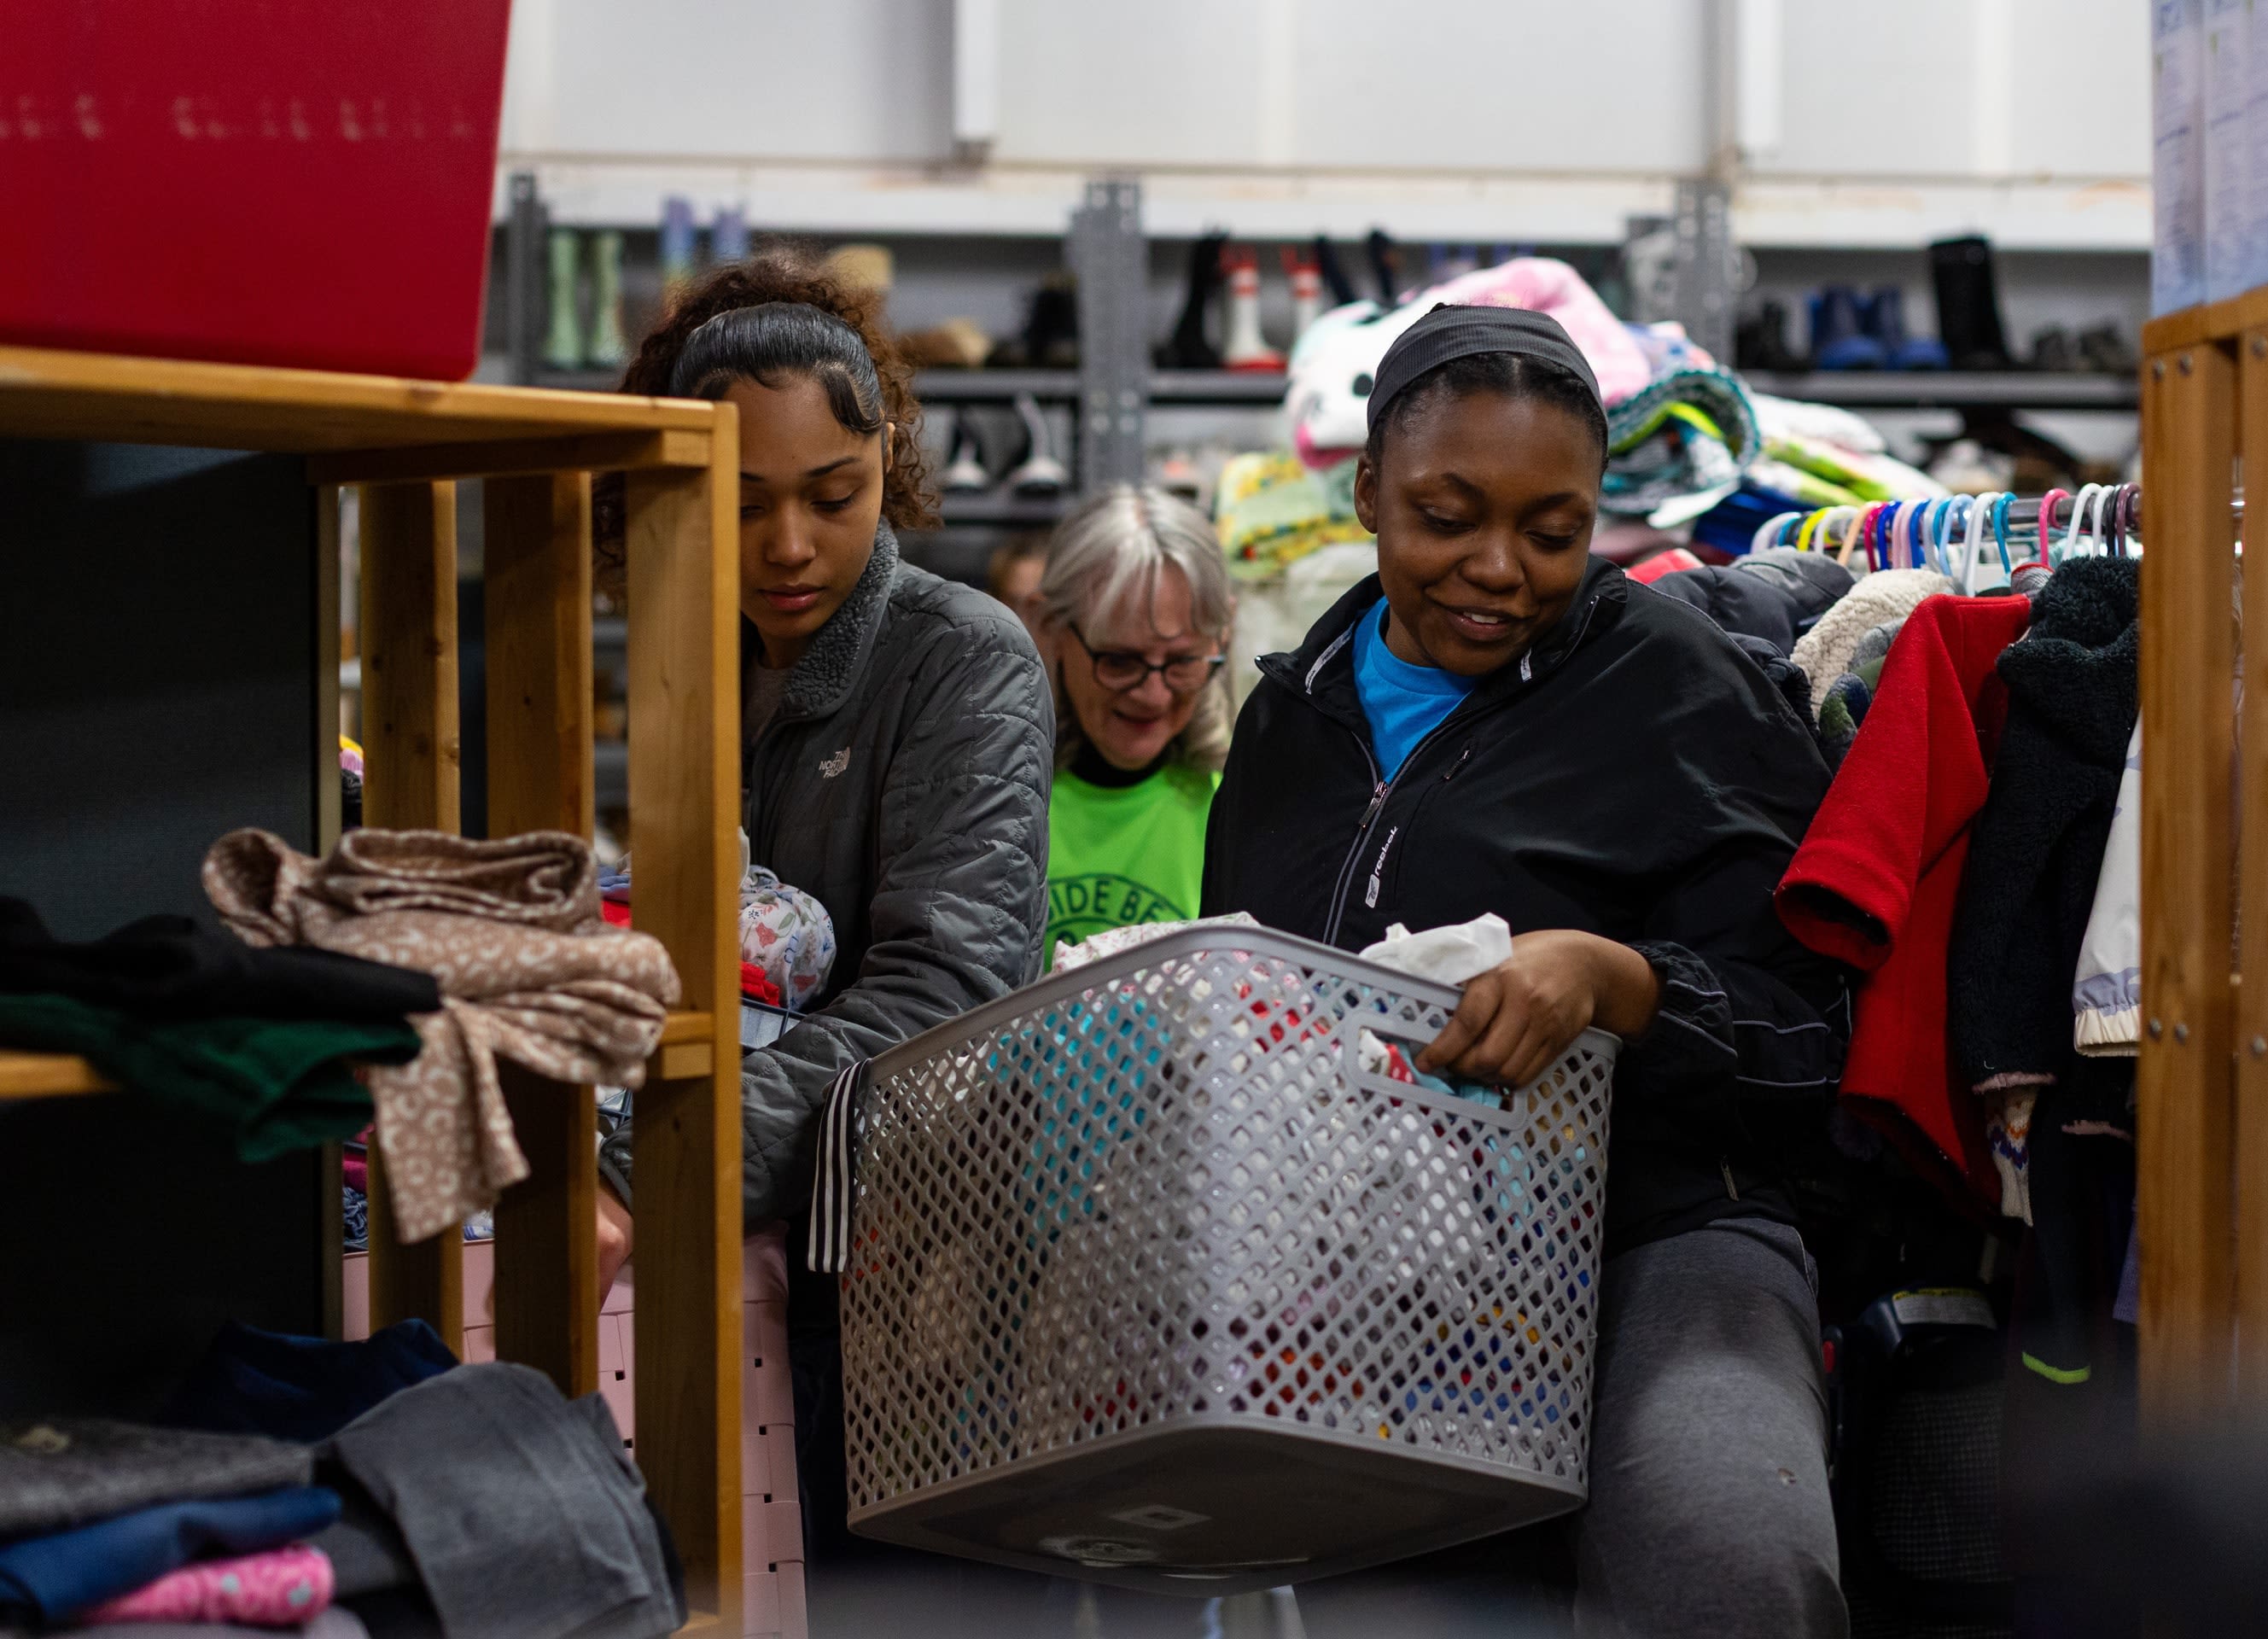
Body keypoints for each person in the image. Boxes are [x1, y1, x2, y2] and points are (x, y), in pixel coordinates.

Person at [1201, 305, 1850, 1637]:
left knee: (1730, 1568)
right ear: (1368, 488)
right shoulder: (1291, 717)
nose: (1497, 569)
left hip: (1663, 1237)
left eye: (1552, 534)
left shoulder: (1682, 690)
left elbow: (1817, 1037)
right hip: (1394, 1272)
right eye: (1446, 516)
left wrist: (1620, 983)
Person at [587, 255, 1054, 1578]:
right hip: (758, 1271)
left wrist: (653, 1167)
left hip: (923, 1289)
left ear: (887, 463)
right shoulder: (701, 663)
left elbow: (943, 997)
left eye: (831, 497)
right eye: (737, 507)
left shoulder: (963, 660)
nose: (788, 546)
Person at [1026, 485, 1233, 965]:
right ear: (1050, 629)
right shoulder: (997, 803)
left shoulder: (1233, 808)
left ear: (1222, 637)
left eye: (1183, 661)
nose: (1153, 694)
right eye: (1119, 661)